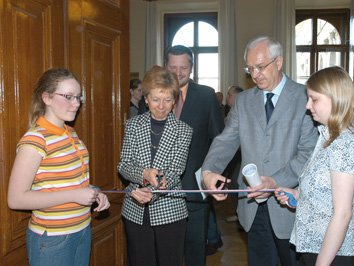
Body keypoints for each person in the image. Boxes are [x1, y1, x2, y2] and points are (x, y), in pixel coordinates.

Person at [202, 36, 318, 266]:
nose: (255, 75)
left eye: (260, 67)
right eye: (250, 68)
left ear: (279, 62)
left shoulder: (304, 98)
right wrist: (209, 170)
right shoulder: (244, 101)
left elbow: (308, 153)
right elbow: (225, 141)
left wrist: (274, 181)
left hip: (290, 205)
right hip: (252, 206)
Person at [7, 68, 110, 266]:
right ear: (47, 98)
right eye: (68, 97)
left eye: (78, 97)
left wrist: (95, 193)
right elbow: (16, 199)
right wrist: (74, 195)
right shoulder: (35, 140)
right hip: (52, 238)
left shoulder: (70, 133)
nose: (76, 104)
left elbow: (70, 182)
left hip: (82, 229)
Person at [275, 66, 354, 266]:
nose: (308, 105)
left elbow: (342, 214)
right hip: (314, 251)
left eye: (314, 99)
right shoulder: (326, 137)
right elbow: (326, 195)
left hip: (334, 257)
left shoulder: (346, 145)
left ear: (336, 99)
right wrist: (296, 194)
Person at [118, 65, 193, 266]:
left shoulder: (183, 130)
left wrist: (153, 191)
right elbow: (123, 165)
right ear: (146, 99)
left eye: (167, 99)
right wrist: (143, 173)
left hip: (170, 210)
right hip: (135, 210)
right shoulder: (133, 125)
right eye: (155, 99)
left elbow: (176, 171)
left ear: (174, 100)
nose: (161, 106)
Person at [164, 45, 225, 266]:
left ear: (191, 67)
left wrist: (212, 176)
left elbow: (218, 141)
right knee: (165, 249)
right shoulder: (153, 95)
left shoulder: (206, 95)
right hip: (161, 189)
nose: (179, 73)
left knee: (195, 248)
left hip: (195, 186)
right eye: (173, 67)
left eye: (184, 67)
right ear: (165, 66)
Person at [223, 85, 244, 224]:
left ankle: (241, 215)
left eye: (230, 94)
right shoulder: (230, 112)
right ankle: (238, 213)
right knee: (233, 183)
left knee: (237, 183)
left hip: (239, 154)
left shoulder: (242, 111)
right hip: (231, 154)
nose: (227, 97)